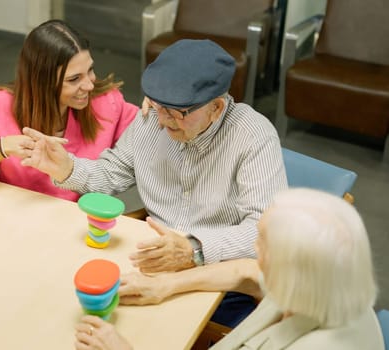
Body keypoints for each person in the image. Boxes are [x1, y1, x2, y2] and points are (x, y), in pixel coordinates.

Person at [22, 39, 287, 325]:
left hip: (219, 279)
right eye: (159, 106)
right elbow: (111, 174)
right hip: (151, 262)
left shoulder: (253, 137)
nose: (162, 121)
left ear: (217, 107)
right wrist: (66, 167)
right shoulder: (152, 118)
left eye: (177, 113)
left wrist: (194, 248)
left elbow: (265, 232)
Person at [74, 188, 384, 350]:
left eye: (261, 243)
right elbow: (246, 271)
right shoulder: (323, 281)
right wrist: (166, 286)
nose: (254, 249)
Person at [0, 19, 139, 201]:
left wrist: (156, 110)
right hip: (9, 222)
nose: (89, 85)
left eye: (90, 70)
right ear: (42, 83)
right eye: (74, 79)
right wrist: (1, 148)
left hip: (74, 224)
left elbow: (149, 141)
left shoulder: (106, 102)